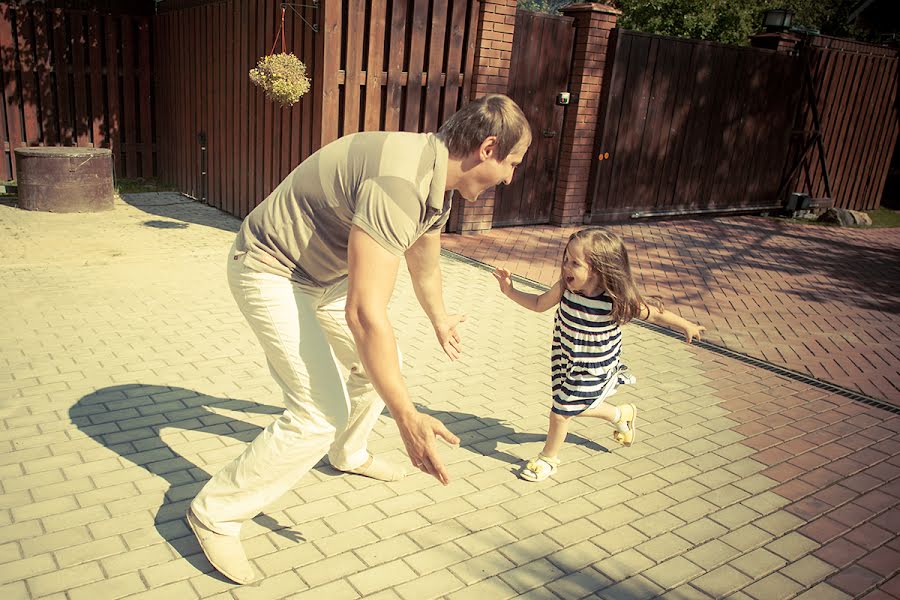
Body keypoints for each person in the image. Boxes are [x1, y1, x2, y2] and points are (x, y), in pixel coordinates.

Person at [186, 94, 531, 584]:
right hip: (268, 267)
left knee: (380, 367)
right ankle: (216, 513)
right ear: (488, 148)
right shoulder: (400, 183)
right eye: (512, 164)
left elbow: (424, 261)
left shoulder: (433, 179)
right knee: (318, 412)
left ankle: (348, 453)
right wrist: (407, 417)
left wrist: (439, 318)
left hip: (319, 277)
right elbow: (365, 316)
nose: (510, 178)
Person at [493, 227, 705, 482]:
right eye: (565, 259)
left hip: (595, 364)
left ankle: (548, 459)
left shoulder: (615, 299)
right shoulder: (564, 288)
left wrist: (686, 325)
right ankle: (620, 415)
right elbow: (539, 304)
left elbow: (655, 313)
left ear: (598, 269)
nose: (566, 267)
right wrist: (510, 291)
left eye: (575, 263)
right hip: (566, 357)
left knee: (561, 411)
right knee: (572, 407)